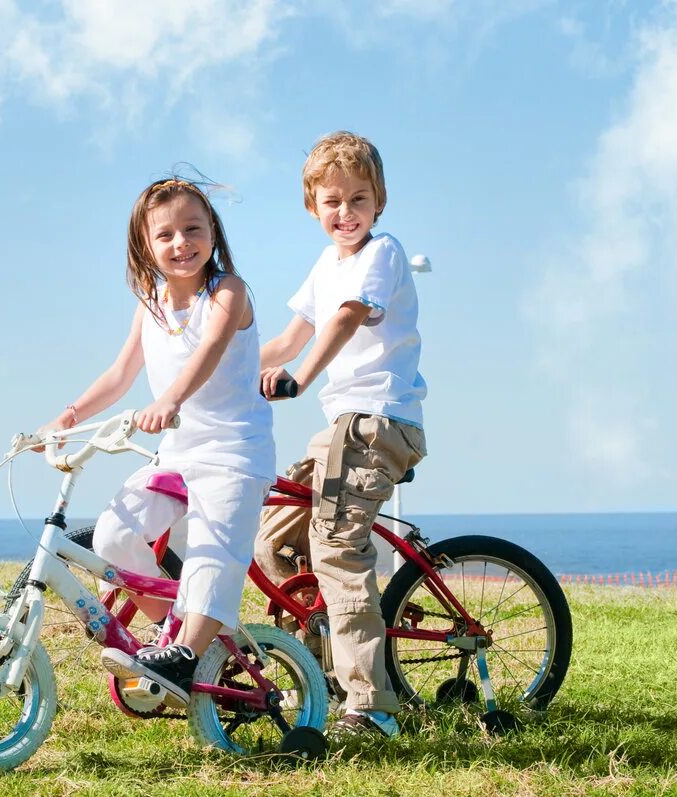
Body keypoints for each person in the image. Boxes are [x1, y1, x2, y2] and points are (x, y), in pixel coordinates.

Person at [36, 177, 275, 708]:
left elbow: (209, 350)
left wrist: (169, 399)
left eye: (193, 229)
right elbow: (120, 374)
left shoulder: (229, 291)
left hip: (234, 452)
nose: (180, 243)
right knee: (115, 534)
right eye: (165, 234)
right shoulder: (150, 305)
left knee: (216, 548)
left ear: (213, 232)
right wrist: (67, 417)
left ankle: (188, 654)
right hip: (178, 455)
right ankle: (173, 630)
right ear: (145, 245)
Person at [257, 131, 427, 739]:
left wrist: (300, 378)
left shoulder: (380, 253)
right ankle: (317, 670)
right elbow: (284, 340)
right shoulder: (325, 264)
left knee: (336, 546)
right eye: (333, 201)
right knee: (272, 538)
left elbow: (348, 316)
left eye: (359, 199)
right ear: (313, 207)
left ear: (378, 202)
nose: (346, 213)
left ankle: (373, 704)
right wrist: (217, 375)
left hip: (379, 420)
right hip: (340, 426)